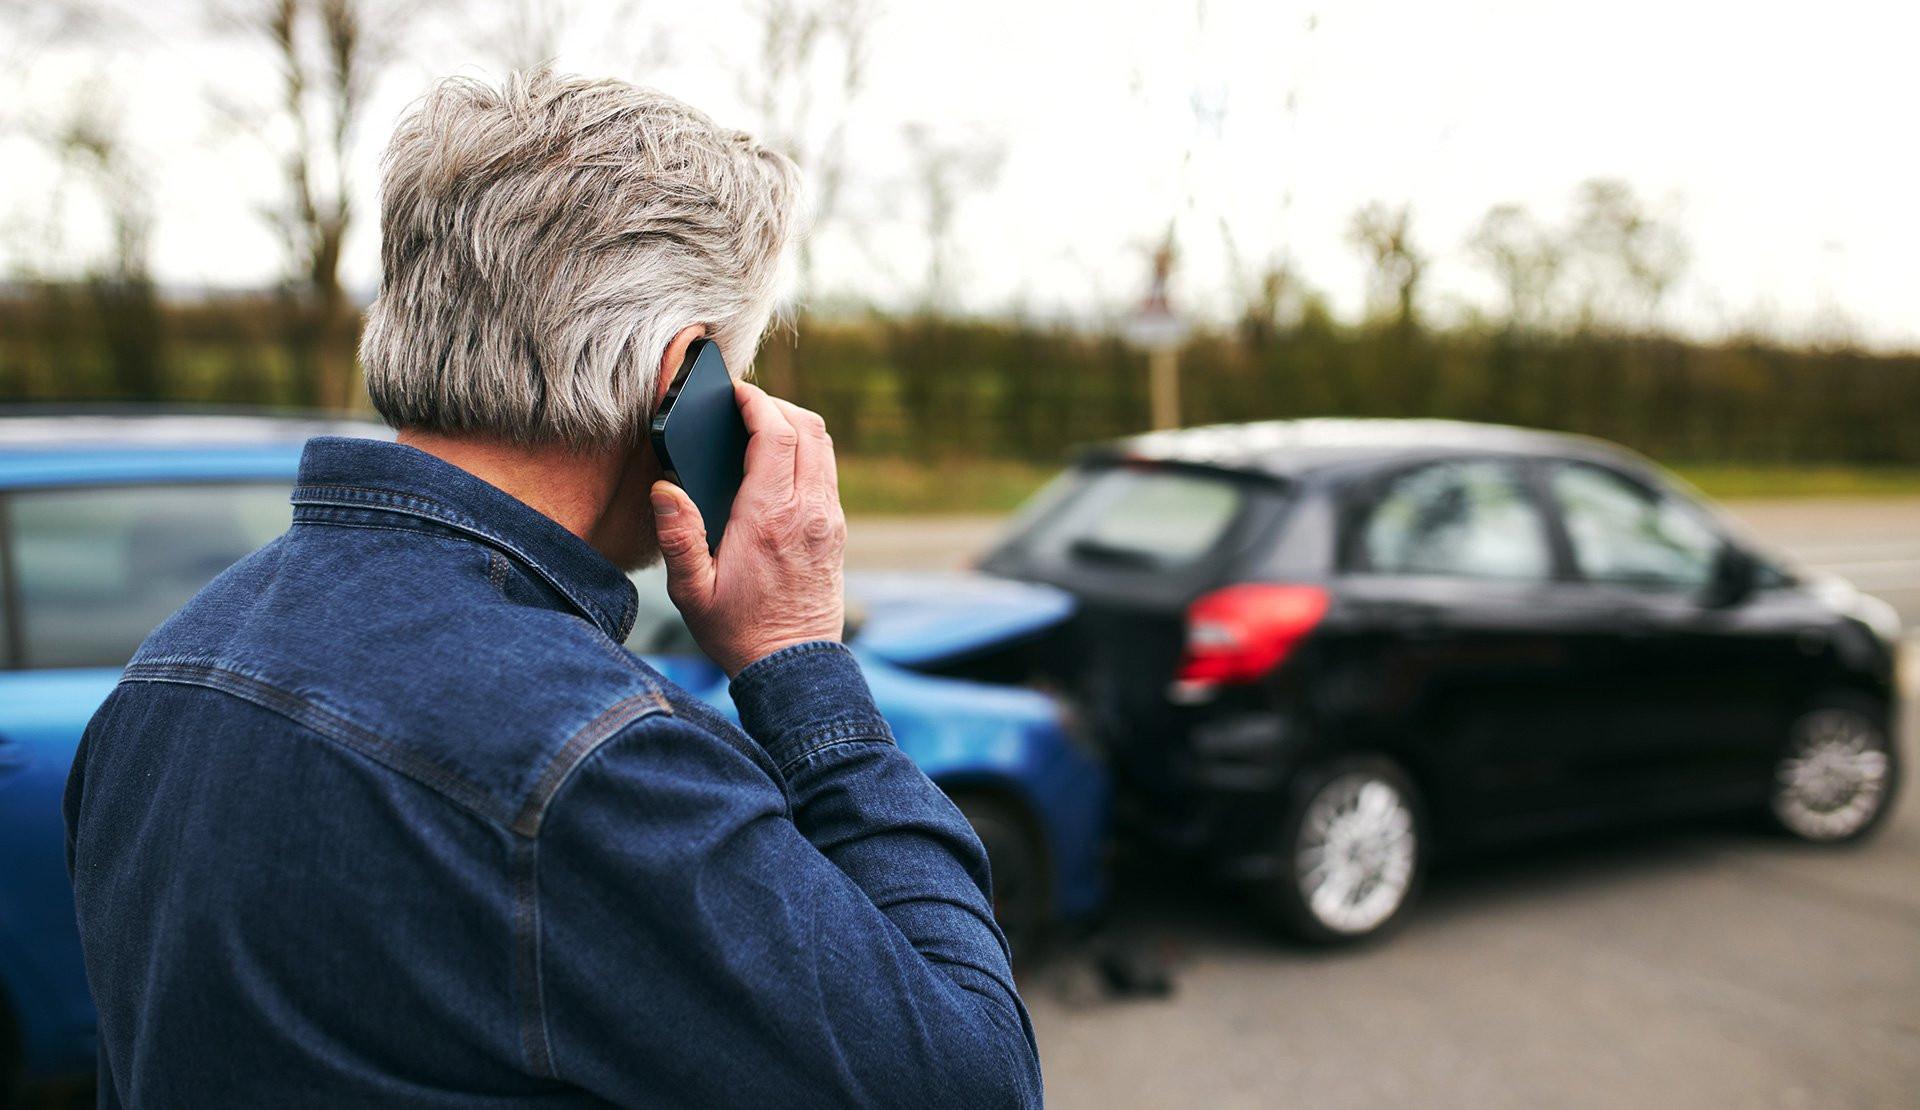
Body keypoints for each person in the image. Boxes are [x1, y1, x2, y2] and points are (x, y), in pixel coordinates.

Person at [64, 70, 1042, 1109]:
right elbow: (975, 1082)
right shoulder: (595, 759)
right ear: (683, 382)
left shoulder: (163, 672)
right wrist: (801, 658)